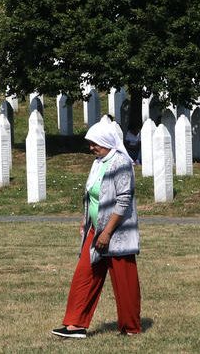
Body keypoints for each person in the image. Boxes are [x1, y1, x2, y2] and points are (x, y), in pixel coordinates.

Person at [51, 120, 141, 339]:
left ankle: (130, 328)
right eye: (90, 144)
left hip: (116, 231)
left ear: (107, 141)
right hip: (96, 228)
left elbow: (123, 200)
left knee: (124, 280)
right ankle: (75, 325)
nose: (91, 148)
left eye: (94, 143)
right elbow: (91, 194)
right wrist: (85, 221)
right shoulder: (98, 162)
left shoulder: (120, 162)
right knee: (84, 274)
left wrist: (108, 232)